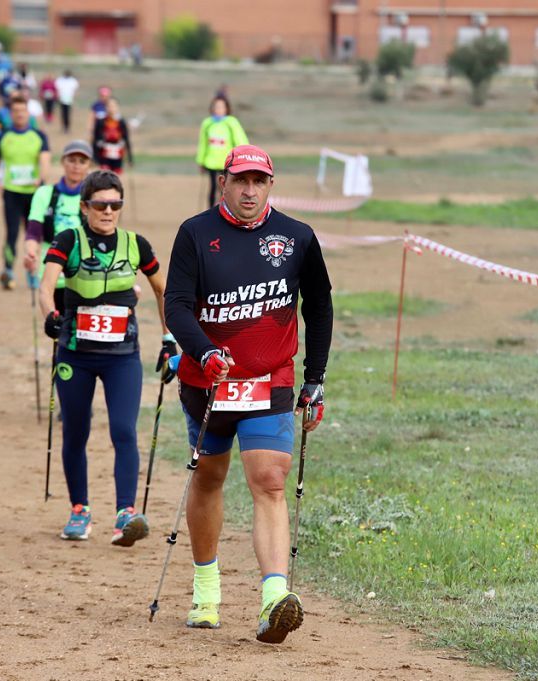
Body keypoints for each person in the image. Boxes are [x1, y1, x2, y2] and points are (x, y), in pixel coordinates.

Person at [164, 145, 333, 644]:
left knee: (269, 481)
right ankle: (206, 588)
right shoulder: (195, 234)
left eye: (259, 181)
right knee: (210, 478)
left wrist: (315, 378)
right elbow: (175, 306)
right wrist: (203, 351)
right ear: (223, 183)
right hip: (208, 382)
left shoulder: (298, 238)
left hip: (270, 381)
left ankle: (274, 598)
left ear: (271, 185)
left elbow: (319, 308)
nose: (249, 190)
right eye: (241, 180)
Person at [38, 169, 177, 546]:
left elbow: (165, 290)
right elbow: (46, 286)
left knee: (123, 430)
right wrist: (50, 315)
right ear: (85, 207)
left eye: (116, 204)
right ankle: (79, 510)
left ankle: (125, 515)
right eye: (100, 204)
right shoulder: (69, 240)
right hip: (75, 355)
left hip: (122, 357)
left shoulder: (136, 244)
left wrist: (169, 339)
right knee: (76, 431)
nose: (108, 211)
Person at [0, 96, 51, 290]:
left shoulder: (39, 136)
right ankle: (8, 270)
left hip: (34, 194)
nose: (20, 114)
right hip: (11, 192)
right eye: (16, 111)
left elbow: (45, 161)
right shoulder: (2, 137)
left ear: (28, 113)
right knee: (12, 233)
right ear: (11, 114)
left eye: (23, 110)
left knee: (34, 236)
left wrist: (42, 180)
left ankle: (33, 272)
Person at [23, 140, 93, 310]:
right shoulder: (44, 194)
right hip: (52, 273)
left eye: (82, 161)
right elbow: (33, 232)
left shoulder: (95, 198)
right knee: (58, 330)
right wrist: (31, 253)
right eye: (72, 160)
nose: (76, 166)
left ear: (89, 165)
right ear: (63, 162)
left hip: (86, 274)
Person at [195, 95, 248, 209]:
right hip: (211, 162)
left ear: (226, 108)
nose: (218, 109)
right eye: (216, 107)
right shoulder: (207, 123)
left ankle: (224, 210)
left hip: (227, 163)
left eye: (221, 107)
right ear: (212, 108)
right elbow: (203, 143)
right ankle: (210, 212)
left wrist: (243, 158)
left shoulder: (231, 122)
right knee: (213, 187)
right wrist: (201, 161)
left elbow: (241, 141)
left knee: (224, 188)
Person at [92, 98, 133, 174]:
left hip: (117, 155)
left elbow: (126, 139)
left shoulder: (121, 122)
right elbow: (95, 140)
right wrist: (95, 157)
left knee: (115, 178)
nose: (111, 108)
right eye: (109, 106)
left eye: (113, 106)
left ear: (117, 107)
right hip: (104, 154)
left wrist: (130, 158)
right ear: (106, 107)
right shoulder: (100, 121)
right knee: (104, 176)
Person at [55, 70, 79, 134]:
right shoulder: (60, 80)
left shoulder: (72, 80)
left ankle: (67, 127)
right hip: (62, 99)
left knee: (67, 114)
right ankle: (63, 127)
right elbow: (57, 88)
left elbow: (75, 89)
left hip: (69, 100)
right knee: (63, 114)